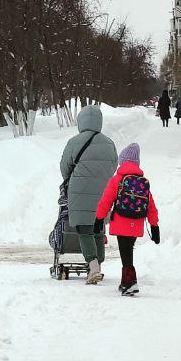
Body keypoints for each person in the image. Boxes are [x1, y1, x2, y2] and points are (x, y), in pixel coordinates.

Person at [60, 105, 118, 284]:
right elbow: (114, 165)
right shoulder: (109, 143)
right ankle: (98, 265)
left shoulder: (74, 142)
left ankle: (92, 265)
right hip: (104, 191)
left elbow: (65, 167)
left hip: (80, 191)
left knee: (84, 229)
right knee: (99, 228)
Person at [94, 142, 160, 296]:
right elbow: (151, 206)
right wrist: (154, 226)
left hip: (121, 221)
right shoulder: (142, 182)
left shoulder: (117, 179)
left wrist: (99, 219)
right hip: (136, 223)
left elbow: (106, 201)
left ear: (122, 162)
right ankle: (126, 282)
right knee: (128, 250)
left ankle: (130, 282)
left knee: (125, 252)